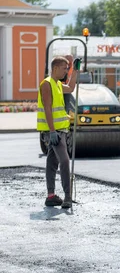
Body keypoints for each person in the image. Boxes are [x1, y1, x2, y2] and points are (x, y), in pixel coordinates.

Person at [37, 56, 77, 209]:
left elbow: (72, 88)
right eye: (64, 68)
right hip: (53, 131)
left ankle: (51, 196)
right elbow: (47, 108)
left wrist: (75, 71)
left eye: (67, 69)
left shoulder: (58, 84)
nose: (66, 71)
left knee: (52, 161)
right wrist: (52, 131)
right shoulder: (47, 84)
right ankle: (67, 196)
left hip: (60, 129)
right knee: (65, 160)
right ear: (55, 68)